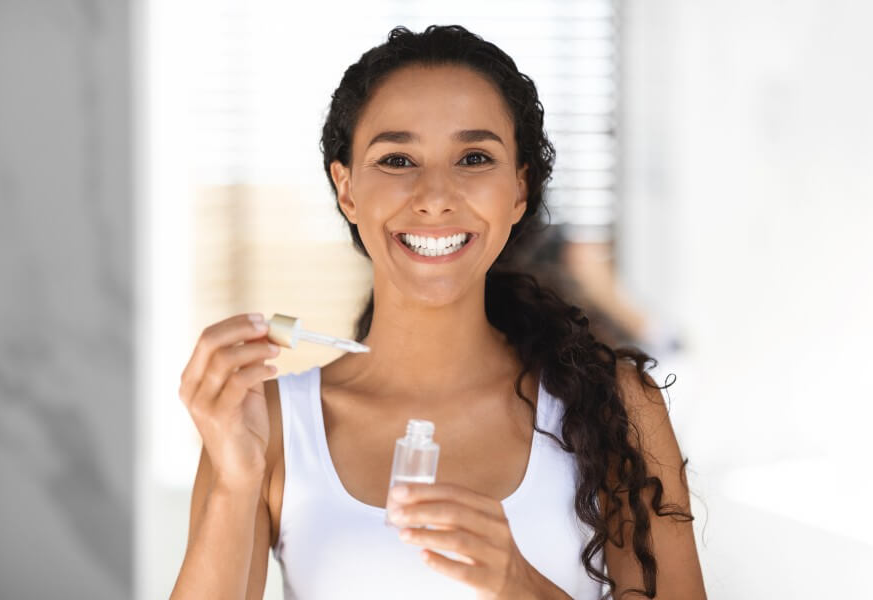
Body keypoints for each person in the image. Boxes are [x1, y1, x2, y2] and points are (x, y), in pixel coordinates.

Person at [171, 25, 706, 600]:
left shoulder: (618, 410)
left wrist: (520, 585)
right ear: (346, 189)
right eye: (397, 159)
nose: (434, 195)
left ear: (519, 188)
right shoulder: (270, 426)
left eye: (474, 157)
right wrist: (233, 482)